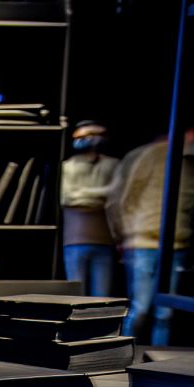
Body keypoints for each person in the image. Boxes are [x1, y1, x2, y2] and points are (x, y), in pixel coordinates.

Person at [105, 128, 194, 342]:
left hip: (174, 243)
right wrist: (122, 235)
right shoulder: (149, 155)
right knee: (142, 309)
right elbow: (123, 198)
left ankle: (153, 356)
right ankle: (125, 353)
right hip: (145, 241)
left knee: (162, 313)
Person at [58, 120, 120, 297]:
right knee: (76, 297)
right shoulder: (67, 167)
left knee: (102, 299)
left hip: (105, 240)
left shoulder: (113, 165)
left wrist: (82, 193)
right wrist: (101, 197)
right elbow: (67, 197)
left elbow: (116, 195)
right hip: (74, 240)